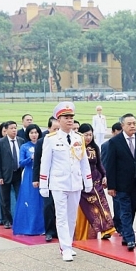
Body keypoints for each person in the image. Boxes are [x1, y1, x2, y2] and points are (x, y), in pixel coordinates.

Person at [39, 102, 93, 262]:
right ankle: (66, 248)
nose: (70, 120)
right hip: (58, 183)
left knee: (71, 217)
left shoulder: (79, 138)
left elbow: (84, 161)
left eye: (71, 117)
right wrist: (43, 184)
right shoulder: (51, 139)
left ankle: (68, 243)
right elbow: (45, 163)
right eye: (66, 117)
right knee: (61, 216)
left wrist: (87, 180)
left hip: (75, 182)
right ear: (59, 119)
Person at [105, 113, 136, 252]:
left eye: (134, 123)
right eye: (129, 124)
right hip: (121, 184)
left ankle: (126, 236)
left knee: (131, 210)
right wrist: (111, 186)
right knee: (125, 211)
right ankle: (130, 239)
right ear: (122, 126)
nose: (132, 126)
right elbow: (110, 166)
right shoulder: (114, 142)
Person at [77, 123, 115, 239]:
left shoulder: (94, 148)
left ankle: (107, 229)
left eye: (90, 135)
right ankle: (87, 233)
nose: (88, 137)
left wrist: (104, 175)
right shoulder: (76, 149)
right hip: (82, 183)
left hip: (96, 181)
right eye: (85, 135)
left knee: (102, 205)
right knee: (89, 209)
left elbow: (99, 164)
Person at [13, 124, 45, 235]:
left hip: (43, 175)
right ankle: (28, 227)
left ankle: (43, 227)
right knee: (30, 200)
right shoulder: (25, 147)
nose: (34, 135)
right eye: (31, 133)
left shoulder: (43, 144)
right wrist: (30, 158)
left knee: (42, 202)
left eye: (36, 132)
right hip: (29, 175)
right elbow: (21, 162)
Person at [33, 117, 59, 241]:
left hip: (60, 179)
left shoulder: (65, 140)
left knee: (61, 206)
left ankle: (60, 231)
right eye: (55, 129)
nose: (57, 131)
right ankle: (49, 231)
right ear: (48, 129)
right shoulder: (41, 142)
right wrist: (35, 179)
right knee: (48, 205)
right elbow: (37, 162)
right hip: (47, 179)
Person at [0, 121, 25, 229]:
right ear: (6, 130)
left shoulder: (21, 141)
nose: (14, 130)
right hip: (5, 174)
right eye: (11, 128)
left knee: (20, 197)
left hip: (18, 174)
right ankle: (7, 220)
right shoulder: (0, 143)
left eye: (15, 128)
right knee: (5, 199)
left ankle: (20, 219)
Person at [101, 121, 123, 236]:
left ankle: (119, 224)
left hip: (124, 178)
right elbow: (104, 163)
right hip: (113, 179)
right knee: (117, 203)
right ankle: (118, 225)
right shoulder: (106, 145)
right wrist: (105, 177)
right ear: (113, 132)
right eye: (118, 132)